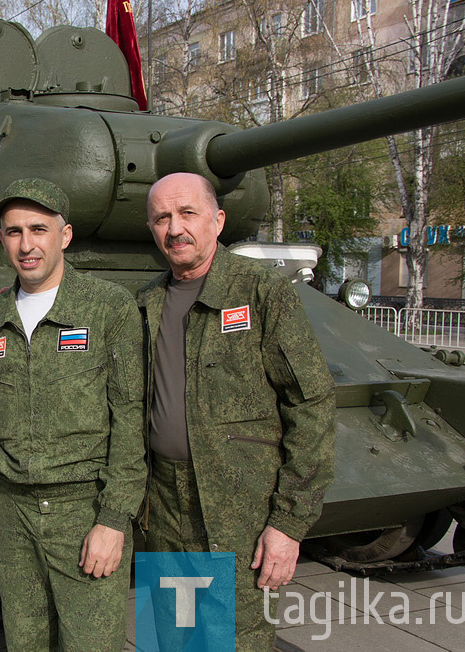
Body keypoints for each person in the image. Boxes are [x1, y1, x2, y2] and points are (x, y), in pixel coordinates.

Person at [139, 172, 335, 650]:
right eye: (162, 217)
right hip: (165, 506)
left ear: (218, 219)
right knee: (176, 635)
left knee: (236, 639)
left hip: (239, 510)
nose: (175, 228)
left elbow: (310, 405)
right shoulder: (146, 304)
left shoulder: (263, 293)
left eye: (188, 213)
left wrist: (289, 523)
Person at [0, 178, 146, 651]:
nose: (27, 245)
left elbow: (130, 421)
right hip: (13, 512)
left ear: (64, 236)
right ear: (2, 239)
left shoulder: (108, 309)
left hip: (84, 512)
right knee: (25, 642)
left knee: (91, 643)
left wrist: (114, 519)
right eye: (14, 231)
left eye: (38, 229)